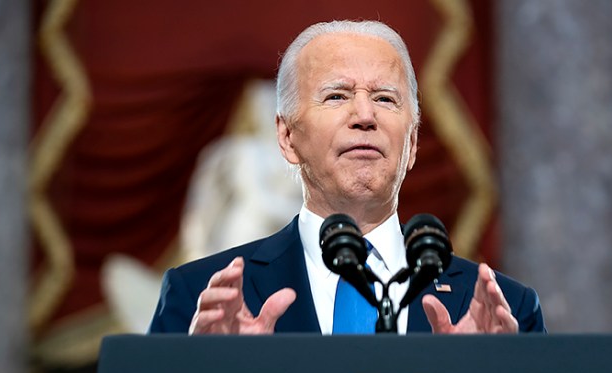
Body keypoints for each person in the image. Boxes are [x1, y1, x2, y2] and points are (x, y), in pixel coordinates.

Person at [148, 20, 545, 335]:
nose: (365, 116)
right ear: (287, 137)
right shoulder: (198, 299)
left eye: (385, 99)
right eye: (336, 96)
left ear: (412, 142)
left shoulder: (504, 312)